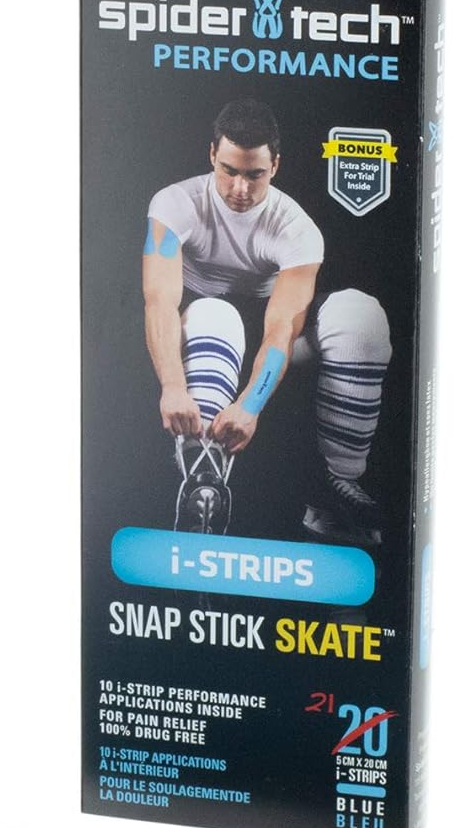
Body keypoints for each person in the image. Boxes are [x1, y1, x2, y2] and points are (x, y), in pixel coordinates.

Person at [141, 96, 391, 544]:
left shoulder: (295, 227)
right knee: (216, 314)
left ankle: (339, 486)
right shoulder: (176, 203)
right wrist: (173, 387)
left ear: (274, 166)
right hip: (200, 320)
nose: (240, 188)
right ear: (212, 156)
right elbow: (159, 301)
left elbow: (282, 328)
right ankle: (203, 475)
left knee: (360, 314)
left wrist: (251, 405)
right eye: (229, 171)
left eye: (254, 174)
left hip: (266, 330)